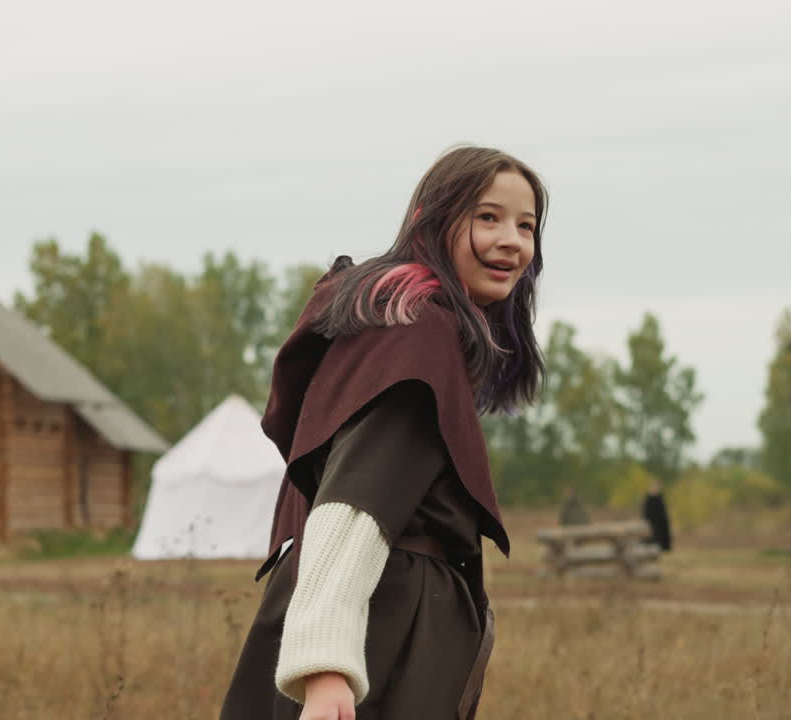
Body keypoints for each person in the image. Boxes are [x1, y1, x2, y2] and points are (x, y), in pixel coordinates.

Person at [220, 146, 548, 720]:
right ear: (432, 220)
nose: (512, 242)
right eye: (488, 217)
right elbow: (356, 501)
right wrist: (324, 669)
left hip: (379, 616)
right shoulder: (417, 335)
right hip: (380, 628)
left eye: (527, 226)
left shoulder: (399, 324)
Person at [641, 479, 672, 552]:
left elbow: (663, 512)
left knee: (659, 542)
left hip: (660, 524)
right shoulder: (648, 499)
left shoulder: (660, 498)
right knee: (650, 541)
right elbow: (646, 512)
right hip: (650, 523)